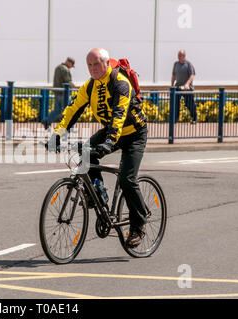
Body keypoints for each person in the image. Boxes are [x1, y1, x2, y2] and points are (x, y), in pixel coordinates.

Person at [47, 48, 148, 248]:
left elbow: (119, 114)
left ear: (106, 63)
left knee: (127, 180)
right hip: (112, 131)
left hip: (134, 133)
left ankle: (139, 225)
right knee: (85, 152)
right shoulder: (89, 86)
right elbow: (72, 110)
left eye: (96, 64)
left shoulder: (120, 83)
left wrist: (109, 143)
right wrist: (58, 134)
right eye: (89, 65)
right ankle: (98, 193)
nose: (92, 69)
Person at [42, 57, 76, 130]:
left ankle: (47, 121)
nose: (71, 67)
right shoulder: (65, 70)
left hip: (57, 92)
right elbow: (68, 82)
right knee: (68, 110)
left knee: (57, 110)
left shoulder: (58, 67)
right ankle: (68, 126)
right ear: (69, 62)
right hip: (64, 93)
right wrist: (73, 87)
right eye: (71, 65)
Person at [171, 50, 196, 123]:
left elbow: (192, 75)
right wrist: (172, 85)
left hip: (187, 89)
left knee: (189, 104)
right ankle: (175, 120)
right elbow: (173, 75)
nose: (178, 57)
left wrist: (187, 84)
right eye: (178, 55)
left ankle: (194, 119)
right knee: (175, 104)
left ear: (184, 56)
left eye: (180, 55)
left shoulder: (188, 64)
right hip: (178, 87)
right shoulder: (176, 64)